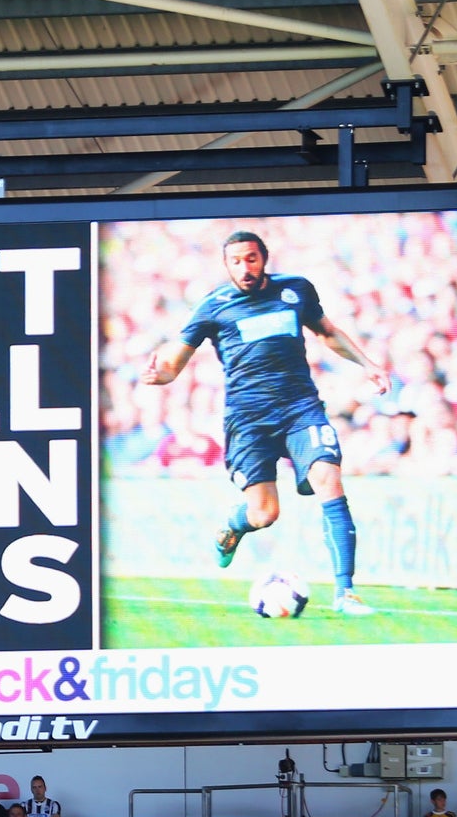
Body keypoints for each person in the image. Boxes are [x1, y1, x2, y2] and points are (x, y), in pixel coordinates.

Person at [142, 228, 392, 614]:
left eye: (251, 258)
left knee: (329, 477)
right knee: (264, 514)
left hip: (300, 408)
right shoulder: (213, 306)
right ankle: (233, 527)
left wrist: (368, 364)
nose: (245, 267)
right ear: (226, 265)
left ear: (264, 258)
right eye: (236, 261)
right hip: (248, 420)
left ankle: (346, 592)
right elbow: (174, 363)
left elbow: (326, 332)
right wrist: (161, 376)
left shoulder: (295, 290)